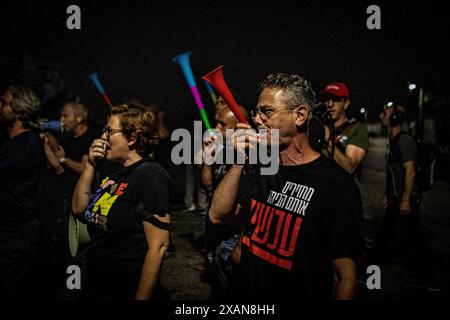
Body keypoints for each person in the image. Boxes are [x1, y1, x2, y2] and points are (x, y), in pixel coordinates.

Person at [209, 73, 365, 300]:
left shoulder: (336, 185)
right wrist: (239, 161)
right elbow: (218, 215)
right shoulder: (262, 167)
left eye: (267, 111)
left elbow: (344, 277)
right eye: (257, 112)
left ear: (300, 116)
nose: (257, 120)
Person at [72, 102, 173, 300]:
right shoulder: (114, 171)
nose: (103, 138)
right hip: (98, 284)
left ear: (133, 138)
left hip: (124, 289)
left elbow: (159, 247)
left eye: (109, 131)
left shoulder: (151, 176)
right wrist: (91, 165)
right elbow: (78, 209)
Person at [362, 104, 440, 291]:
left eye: (385, 113)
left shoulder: (404, 141)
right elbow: (393, 173)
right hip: (397, 197)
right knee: (407, 238)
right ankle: (428, 278)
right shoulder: (394, 138)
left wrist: (405, 199)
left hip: (405, 199)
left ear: (395, 119)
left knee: (395, 239)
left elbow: (410, 172)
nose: (381, 115)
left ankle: (367, 273)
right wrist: (388, 194)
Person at [0, 85, 46, 299]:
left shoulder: (18, 148)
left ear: (19, 110)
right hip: (21, 229)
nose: (0, 107)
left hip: (15, 232)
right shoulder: (32, 141)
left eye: (4, 102)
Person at [200, 105, 249, 298]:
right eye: (216, 123)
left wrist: (239, 245)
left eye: (223, 125)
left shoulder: (251, 157)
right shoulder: (221, 150)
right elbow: (207, 186)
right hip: (216, 234)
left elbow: (252, 208)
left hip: (233, 237)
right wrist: (207, 158)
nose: (216, 128)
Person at [320, 82, 369, 179]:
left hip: (341, 190)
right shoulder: (319, 126)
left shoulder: (357, 129)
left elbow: (349, 168)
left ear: (346, 103)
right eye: (326, 99)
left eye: (335, 99)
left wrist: (329, 141)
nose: (329, 104)